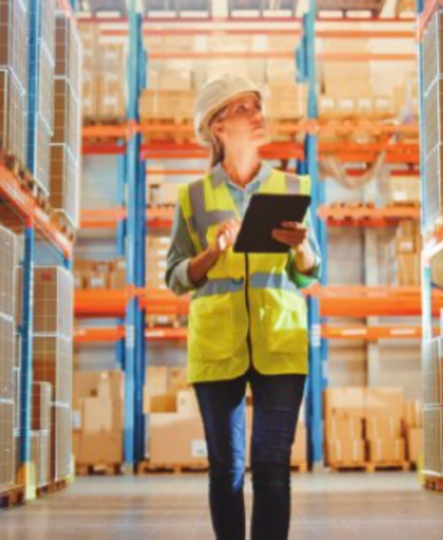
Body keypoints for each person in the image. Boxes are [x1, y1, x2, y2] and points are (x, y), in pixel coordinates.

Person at [165, 73, 322, 540]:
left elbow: (309, 272)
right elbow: (174, 276)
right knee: (227, 470)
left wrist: (301, 250)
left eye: (258, 105)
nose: (257, 115)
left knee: (273, 466)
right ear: (217, 126)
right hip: (218, 346)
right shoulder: (192, 197)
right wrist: (210, 255)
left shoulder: (292, 188)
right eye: (243, 108)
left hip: (280, 341)